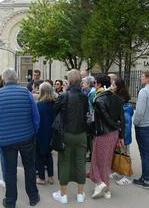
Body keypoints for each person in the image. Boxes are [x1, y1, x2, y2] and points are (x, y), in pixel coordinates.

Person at [0, 69, 40, 208]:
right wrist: (33, 131)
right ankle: (33, 197)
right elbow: (36, 116)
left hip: (6, 140)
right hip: (26, 137)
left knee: (10, 170)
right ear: (16, 79)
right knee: (29, 167)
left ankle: (10, 201)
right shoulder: (26, 93)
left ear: (4, 80)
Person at [52, 70, 88, 204]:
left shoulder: (64, 95)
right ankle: (80, 194)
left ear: (69, 81)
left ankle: (63, 195)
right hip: (82, 134)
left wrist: (64, 91)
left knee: (65, 162)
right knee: (80, 162)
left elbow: (54, 111)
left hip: (66, 133)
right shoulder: (84, 97)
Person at [89, 74, 124, 200]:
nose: (94, 85)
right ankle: (105, 188)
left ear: (98, 84)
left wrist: (116, 127)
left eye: (94, 83)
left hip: (103, 133)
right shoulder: (117, 98)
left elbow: (106, 118)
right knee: (106, 161)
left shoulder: (99, 100)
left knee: (97, 161)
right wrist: (120, 134)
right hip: (113, 134)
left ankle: (101, 184)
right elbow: (122, 119)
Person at [114, 78, 134, 186]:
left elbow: (126, 122)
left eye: (114, 84)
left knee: (125, 153)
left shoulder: (123, 104)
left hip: (123, 134)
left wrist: (123, 136)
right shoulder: (120, 100)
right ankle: (119, 171)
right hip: (120, 133)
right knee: (119, 152)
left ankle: (127, 175)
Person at [36, 82, 56, 185]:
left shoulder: (38, 105)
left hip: (40, 133)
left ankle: (41, 177)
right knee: (48, 154)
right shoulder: (55, 104)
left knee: (39, 155)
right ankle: (51, 176)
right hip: (51, 133)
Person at [81, 76, 96, 162]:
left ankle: (92, 155)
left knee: (91, 138)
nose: (82, 84)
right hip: (89, 118)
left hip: (91, 120)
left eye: (84, 83)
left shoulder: (92, 93)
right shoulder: (87, 92)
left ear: (88, 84)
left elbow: (91, 108)